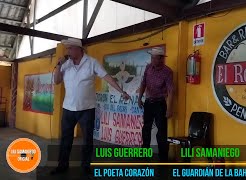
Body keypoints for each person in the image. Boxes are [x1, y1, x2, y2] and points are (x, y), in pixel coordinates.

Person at [51, 38, 130, 175]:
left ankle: (86, 165)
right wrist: (58, 65)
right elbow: (57, 81)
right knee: (66, 139)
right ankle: (62, 165)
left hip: (87, 109)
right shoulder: (66, 64)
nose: (67, 51)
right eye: (67, 49)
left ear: (78, 49)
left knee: (87, 139)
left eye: (70, 48)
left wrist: (121, 91)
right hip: (68, 108)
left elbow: (107, 77)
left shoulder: (92, 62)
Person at [138, 47, 174, 162]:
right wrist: (139, 98)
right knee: (146, 129)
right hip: (148, 102)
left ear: (161, 59)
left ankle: (163, 158)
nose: (152, 60)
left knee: (162, 131)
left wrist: (169, 108)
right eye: (151, 57)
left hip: (160, 104)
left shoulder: (167, 72)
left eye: (154, 58)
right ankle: (144, 154)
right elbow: (143, 83)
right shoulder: (148, 68)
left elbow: (171, 91)